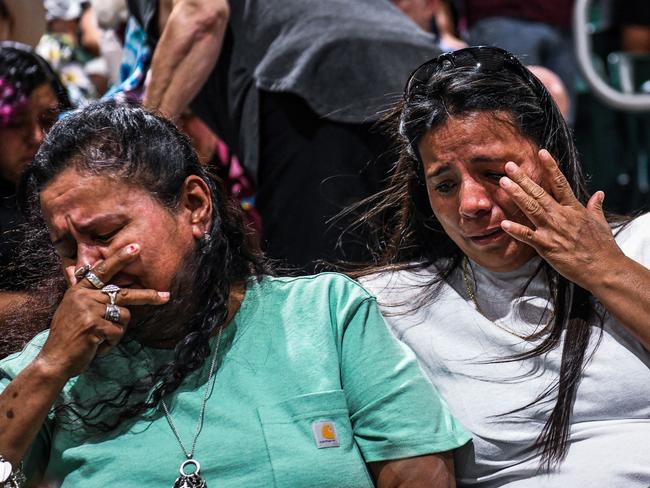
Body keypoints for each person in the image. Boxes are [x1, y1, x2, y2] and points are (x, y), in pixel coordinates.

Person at [0, 101, 471, 487]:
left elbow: (419, 475)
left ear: (194, 206)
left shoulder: (325, 316)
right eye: (65, 248)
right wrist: (50, 368)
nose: (84, 267)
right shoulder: (52, 369)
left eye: (104, 232)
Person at [356, 47, 650, 486]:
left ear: (551, 155)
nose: (470, 204)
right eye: (445, 184)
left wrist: (602, 267)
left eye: (494, 172)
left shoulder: (641, 242)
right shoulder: (393, 304)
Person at [126, 0, 440, 271]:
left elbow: (200, 15)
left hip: (319, 83)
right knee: (417, 278)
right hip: (416, 66)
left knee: (317, 291)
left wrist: (145, 144)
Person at [0, 41, 71, 355]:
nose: (38, 137)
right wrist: (57, 304)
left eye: (48, 119)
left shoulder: (64, 174)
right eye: (16, 125)